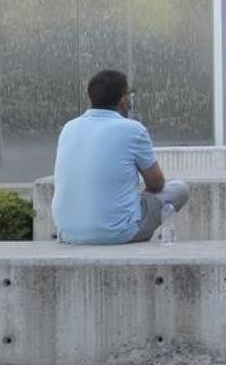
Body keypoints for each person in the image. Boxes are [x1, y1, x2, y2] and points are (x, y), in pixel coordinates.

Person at [52, 69, 189, 244]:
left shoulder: (69, 128)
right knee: (180, 188)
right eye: (129, 95)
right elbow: (156, 184)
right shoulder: (133, 129)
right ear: (123, 99)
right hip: (118, 232)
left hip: (68, 233)